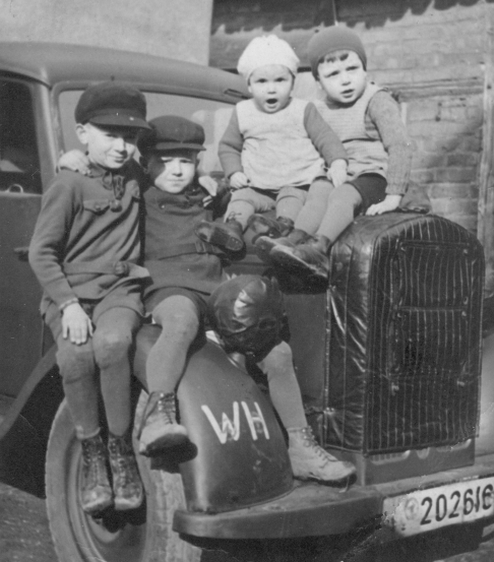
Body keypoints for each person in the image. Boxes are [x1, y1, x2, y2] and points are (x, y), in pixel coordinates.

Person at [133, 116, 355, 485]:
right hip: (168, 288)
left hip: (215, 289)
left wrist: (220, 185)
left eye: (186, 161)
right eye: (164, 161)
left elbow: (257, 192)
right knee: (181, 322)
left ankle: (301, 447)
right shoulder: (136, 193)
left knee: (277, 351)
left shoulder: (209, 196)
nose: (177, 170)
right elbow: (106, 173)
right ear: (145, 163)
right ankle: (158, 416)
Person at [28, 82, 151, 515]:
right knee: (76, 356)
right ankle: (93, 453)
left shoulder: (135, 175)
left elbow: (173, 175)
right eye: (110, 135)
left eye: (130, 137)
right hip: (71, 295)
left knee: (114, 343)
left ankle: (120, 449)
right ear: (82, 133)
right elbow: (42, 252)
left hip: (120, 289)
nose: (121, 146)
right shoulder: (68, 184)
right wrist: (68, 305)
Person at [257, 25, 413, 280]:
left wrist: (394, 195)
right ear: (318, 82)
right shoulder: (318, 108)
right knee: (318, 192)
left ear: (365, 69)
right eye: (333, 74)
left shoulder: (377, 100)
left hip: (374, 176)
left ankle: (320, 247)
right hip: (338, 173)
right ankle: (295, 239)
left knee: (342, 195)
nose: (345, 79)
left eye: (352, 69)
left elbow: (400, 145)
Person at [195, 34, 348, 253]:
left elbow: (326, 138)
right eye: (262, 81)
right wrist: (234, 171)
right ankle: (233, 227)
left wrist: (338, 162)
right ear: (249, 85)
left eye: (280, 80)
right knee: (241, 197)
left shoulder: (302, 110)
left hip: (297, 181)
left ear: (292, 83)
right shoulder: (243, 111)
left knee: (291, 198)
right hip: (257, 183)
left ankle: (281, 225)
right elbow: (229, 146)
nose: (271, 89)